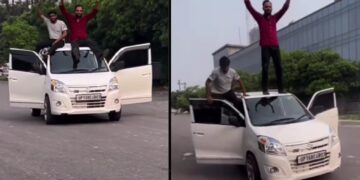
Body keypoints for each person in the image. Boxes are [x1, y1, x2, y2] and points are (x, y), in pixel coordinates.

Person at [244, 0, 290, 95]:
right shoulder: (259, 18)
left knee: (279, 67)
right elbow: (249, 7)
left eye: (269, 6)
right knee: (265, 68)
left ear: (271, 8)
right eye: (266, 6)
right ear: (263, 8)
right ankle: (265, 89)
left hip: (275, 46)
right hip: (265, 47)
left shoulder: (274, 18)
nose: (268, 8)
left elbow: (284, 9)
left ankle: (281, 89)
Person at [59, 0, 103, 67]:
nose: (79, 12)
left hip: (84, 39)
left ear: (82, 12)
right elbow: (62, 9)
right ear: (75, 11)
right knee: (75, 48)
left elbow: (94, 12)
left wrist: (98, 2)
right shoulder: (70, 18)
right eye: (77, 10)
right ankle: (76, 60)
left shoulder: (85, 18)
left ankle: (100, 57)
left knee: (93, 43)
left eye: (80, 10)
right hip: (75, 40)